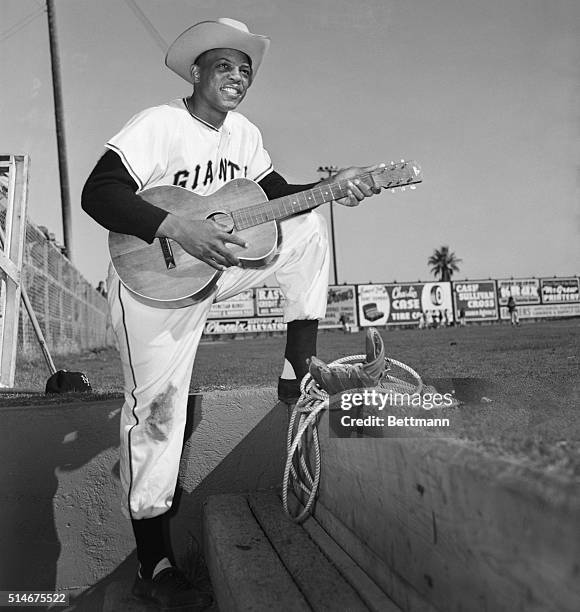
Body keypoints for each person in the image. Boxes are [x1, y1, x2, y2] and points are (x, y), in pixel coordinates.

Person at [81, 18, 381, 609]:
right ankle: (154, 565)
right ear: (197, 72)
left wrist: (331, 185)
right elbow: (100, 193)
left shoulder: (243, 134)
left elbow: (276, 195)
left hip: (213, 272)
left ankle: (298, 365)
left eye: (246, 70)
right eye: (225, 65)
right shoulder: (160, 123)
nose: (237, 77)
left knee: (306, 225)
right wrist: (174, 225)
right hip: (151, 288)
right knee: (157, 420)